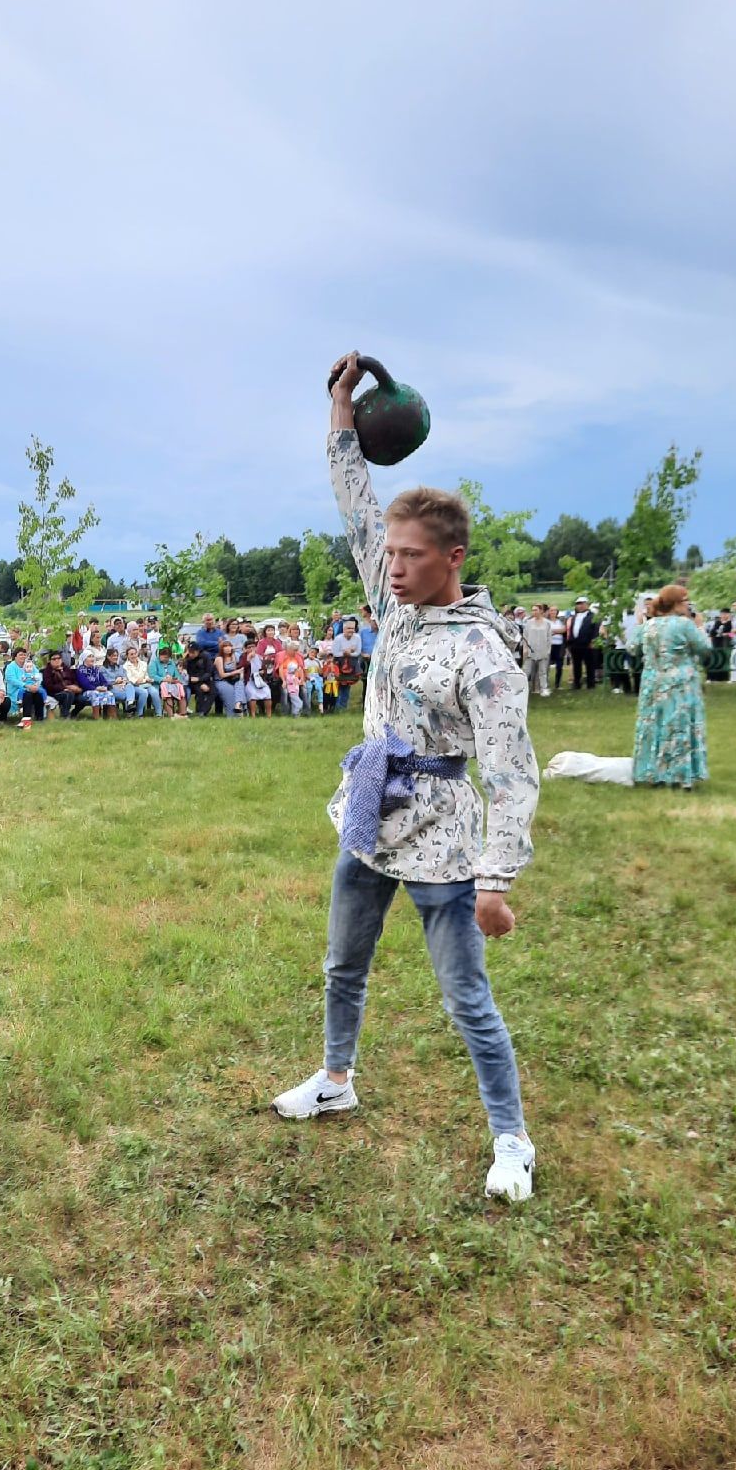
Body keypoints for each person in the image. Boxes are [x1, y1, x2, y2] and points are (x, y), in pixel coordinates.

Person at [271, 354, 540, 1204]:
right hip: (369, 812)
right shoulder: (390, 605)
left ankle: (511, 1140)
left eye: (411, 556)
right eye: (388, 553)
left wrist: (494, 880)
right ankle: (336, 1078)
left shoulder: (482, 652)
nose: (392, 566)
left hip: (442, 835)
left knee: (466, 997)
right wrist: (341, 411)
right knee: (342, 965)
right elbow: (354, 499)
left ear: (452, 557)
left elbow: (512, 775)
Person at [632, 584, 710, 789]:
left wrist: (640, 625)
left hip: (652, 683)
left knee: (654, 726)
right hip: (679, 683)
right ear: (676, 603)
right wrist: (700, 626)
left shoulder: (649, 625)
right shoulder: (685, 625)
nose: (688, 604)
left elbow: (632, 647)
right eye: (685, 600)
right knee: (678, 725)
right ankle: (681, 775)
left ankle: (653, 773)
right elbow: (705, 648)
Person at [5, 647, 46, 727]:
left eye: (24, 655)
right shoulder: (10, 667)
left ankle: (39, 718)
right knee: (27, 694)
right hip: (16, 692)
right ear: (15, 656)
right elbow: (12, 680)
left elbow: (38, 675)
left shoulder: (30, 665)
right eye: (20, 655)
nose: (23, 656)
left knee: (38, 694)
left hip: (31, 689)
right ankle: (26, 719)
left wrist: (36, 685)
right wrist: (26, 686)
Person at [41, 650, 87, 719]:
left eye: (59, 658)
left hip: (71, 692)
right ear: (50, 661)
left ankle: (73, 714)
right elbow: (48, 686)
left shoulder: (66, 668)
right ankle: (64, 715)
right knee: (68, 694)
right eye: (54, 659)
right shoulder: (47, 671)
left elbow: (74, 680)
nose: (57, 660)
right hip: (56, 693)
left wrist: (76, 687)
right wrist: (64, 688)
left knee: (83, 699)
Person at [566, 597, 599, 690]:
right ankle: (577, 683)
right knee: (576, 665)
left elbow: (596, 629)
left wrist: (593, 640)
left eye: (582, 603)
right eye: (578, 604)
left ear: (587, 604)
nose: (580, 606)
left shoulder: (592, 616)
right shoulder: (574, 616)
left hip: (588, 643)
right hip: (575, 643)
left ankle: (590, 684)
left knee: (589, 664)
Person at [521, 604, 552, 697]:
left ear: (541, 611)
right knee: (526, 671)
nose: (534, 612)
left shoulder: (547, 623)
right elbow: (525, 637)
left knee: (543, 671)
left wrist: (548, 650)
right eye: (532, 610)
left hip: (543, 650)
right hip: (530, 651)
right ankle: (522, 689)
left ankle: (544, 688)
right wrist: (525, 649)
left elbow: (549, 638)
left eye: (536, 610)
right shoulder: (529, 623)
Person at [75, 652, 116, 717]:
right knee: (95, 694)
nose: (92, 658)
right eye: (89, 656)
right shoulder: (80, 670)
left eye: (92, 656)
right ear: (84, 659)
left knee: (110, 694)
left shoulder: (96, 670)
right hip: (86, 691)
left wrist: (105, 687)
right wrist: (96, 688)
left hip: (98, 689)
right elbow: (85, 685)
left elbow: (104, 681)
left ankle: (112, 717)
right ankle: (96, 717)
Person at [124, 645, 161, 716]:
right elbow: (132, 680)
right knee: (144, 692)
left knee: (154, 692)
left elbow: (147, 675)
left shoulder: (143, 663)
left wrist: (146, 679)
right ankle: (139, 713)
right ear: (127, 656)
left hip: (146, 684)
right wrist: (144, 680)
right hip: (134, 686)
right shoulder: (125, 666)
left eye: (135, 653)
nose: (134, 656)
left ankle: (159, 713)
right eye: (131, 654)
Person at [152, 645, 188, 716]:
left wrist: (177, 679)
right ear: (160, 655)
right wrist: (164, 679)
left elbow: (177, 674)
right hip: (160, 683)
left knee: (180, 687)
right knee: (166, 688)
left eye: (168, 657)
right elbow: (152, 676)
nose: (166, 659)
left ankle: (183, 713)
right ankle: (170, 714)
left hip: (172, 682)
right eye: (165, 657)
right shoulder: (154, 663)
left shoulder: (171, 662)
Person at [183, 643, 215, 717]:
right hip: (193, 681)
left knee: (213, 691)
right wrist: (199, 682)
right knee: (200, 691)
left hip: (205, 679)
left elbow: (209, 671)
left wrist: (200, 679)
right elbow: (189, 673)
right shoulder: (188, 659)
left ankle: (203, 712)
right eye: (189, 652)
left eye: (193, 652)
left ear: (198, 651)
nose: (191, 654)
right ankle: (200, 711)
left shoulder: (205, 656)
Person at [213, 640, 244, 716]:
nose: (228, 648)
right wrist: (236, 672)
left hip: (231, 679)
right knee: (230, 691)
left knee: (240, 685)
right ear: (222, 649)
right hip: (220, 680)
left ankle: (238, 707)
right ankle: (232, 715)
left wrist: (240, 676)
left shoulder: (234, 657)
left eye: (229, 646)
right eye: (225, 646)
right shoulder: (219, 659)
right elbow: (222, 675)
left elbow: (239, 670)